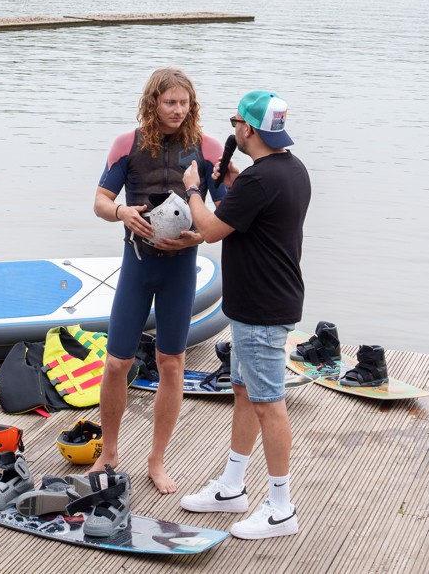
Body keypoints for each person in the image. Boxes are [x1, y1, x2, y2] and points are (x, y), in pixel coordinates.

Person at [179, 90, 311, 540]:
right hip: (263, 303)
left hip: (261, 310)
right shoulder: (290, 170)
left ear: (248, 129)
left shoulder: (261, 179)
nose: (233, 128)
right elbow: (254, 216)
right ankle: (232, 486)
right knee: (243, 391)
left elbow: (211, 229)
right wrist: (234, 186)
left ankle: (281, 509)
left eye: (236, 121)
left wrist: (193, 189)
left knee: (269, 403)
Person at [93, 67, 227, 494]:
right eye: (170, 102)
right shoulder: (127, 144)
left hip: (180, 268)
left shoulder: (207, 149)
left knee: (172, 363)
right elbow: (100, 201)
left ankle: (157, 459)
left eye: (184, 103)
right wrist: (122, 212)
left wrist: (198, 235)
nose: (177, 110)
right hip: (138, 263)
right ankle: (109, 452)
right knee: (117, 362)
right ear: (153, 103)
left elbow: (225, 216)